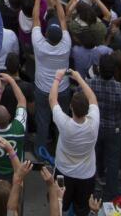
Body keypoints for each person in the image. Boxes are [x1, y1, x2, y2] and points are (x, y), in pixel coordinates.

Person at [49, 68, 100, 216]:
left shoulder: (64, 123)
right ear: (87, 110)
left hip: (63, 171)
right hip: (86, 175)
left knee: (59, 204)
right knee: (82, 209)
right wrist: (79, 78)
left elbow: (52, 100)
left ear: (71, 108)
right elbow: (93, 98)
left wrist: (57, 78)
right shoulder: (94, 122)